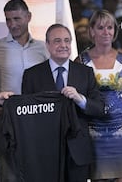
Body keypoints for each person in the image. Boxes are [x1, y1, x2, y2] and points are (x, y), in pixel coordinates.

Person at [21, 23, 105, 181]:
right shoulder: (31, 75)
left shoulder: (85, 72)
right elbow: (27, 117)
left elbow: (99, 108)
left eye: (67, 40)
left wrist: (80, 99)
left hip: (77, 151)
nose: (63, 45)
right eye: (57, 41)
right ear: (47, 45)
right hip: (44, 152)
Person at [76, 10, 122, 181]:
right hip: (94, 135)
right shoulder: (80, 61)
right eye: (100, 28)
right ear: (91, 31)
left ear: (115, 31)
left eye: (110, 27)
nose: (106, 32)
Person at [0, 0, 49, 181]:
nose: (12, 24)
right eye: (8, 20)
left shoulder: (44, 48)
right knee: (8, 172)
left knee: (38, 169)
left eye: (17, 19)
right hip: (6, 117)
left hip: (37, 118)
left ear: (28, 17)